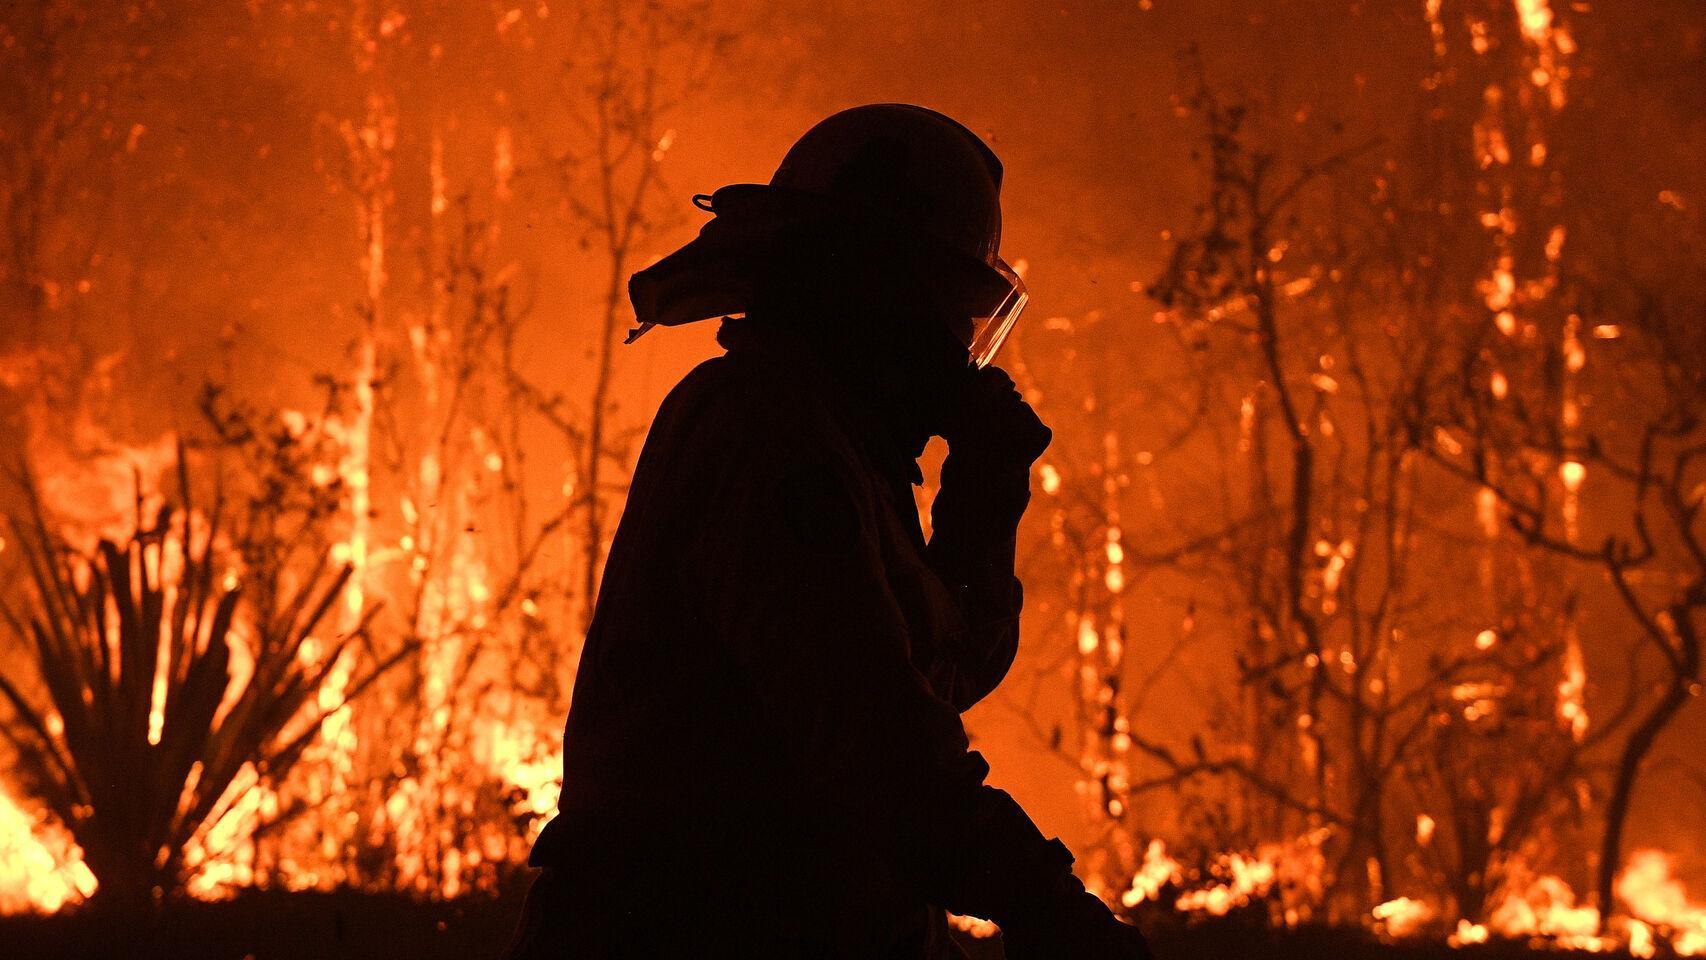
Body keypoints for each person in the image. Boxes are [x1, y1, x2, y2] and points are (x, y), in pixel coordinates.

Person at [504, 104, 1154, 959]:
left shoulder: (832, 444)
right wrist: (1052, 908)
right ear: (879, 291)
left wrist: (984, 494)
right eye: (948, 309)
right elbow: (881, 752)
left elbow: (938, 677)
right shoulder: (769, 440)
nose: (961, 350)